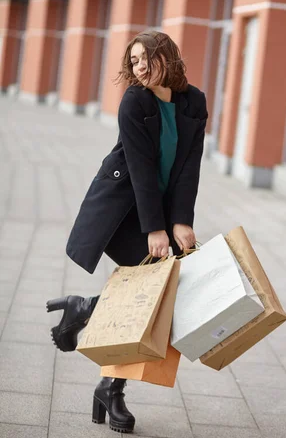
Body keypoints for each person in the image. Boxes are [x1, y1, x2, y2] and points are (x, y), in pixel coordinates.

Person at [46, 30, 208, 434]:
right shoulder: (135, 102)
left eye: (144, 58)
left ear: (166, 57)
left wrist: (181, 220)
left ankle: (92, 328)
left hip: (163, 212)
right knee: (155, 292)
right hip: (123, 211)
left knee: (159, 295)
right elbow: (140, 170)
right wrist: (155, 229)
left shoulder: (194, 102)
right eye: (133, 60)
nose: (138, 66)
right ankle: (110, 385)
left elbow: (190, 166)